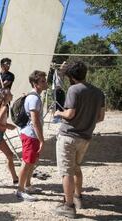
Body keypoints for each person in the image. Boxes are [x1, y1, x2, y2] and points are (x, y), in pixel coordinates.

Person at [53, 61, 105, 218]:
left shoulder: (74, 89)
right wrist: (86, 120)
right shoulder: (98, 92)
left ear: (71, 76)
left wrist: (58, 113)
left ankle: (68, 206)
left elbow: (69, 114)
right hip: (85, 138)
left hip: (68, 136)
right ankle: (78, 198)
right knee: (76, 167)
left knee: (66, 171)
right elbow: (101, 117)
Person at [15, 70, 48, 202]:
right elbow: (35, 121)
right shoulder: (34, 98)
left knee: (31, 161)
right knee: (27, 162)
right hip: (30, 135)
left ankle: (27, 185)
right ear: (35, 83)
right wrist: (41, 140)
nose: (45, 83)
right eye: (42, 81)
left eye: (45, 80)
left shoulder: (34, 96)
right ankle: (20, 190)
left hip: (30, 134)